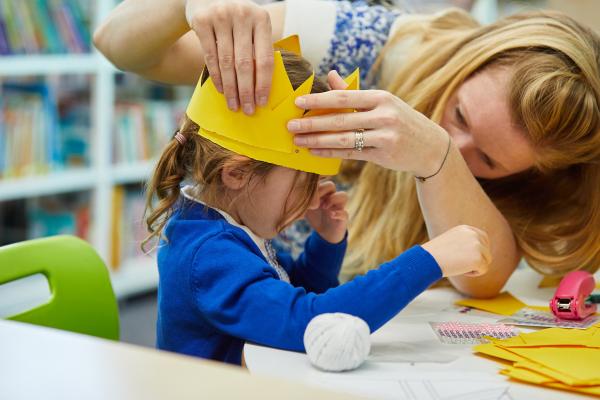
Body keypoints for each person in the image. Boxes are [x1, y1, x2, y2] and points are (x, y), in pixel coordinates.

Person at [94, 0, 600, 298]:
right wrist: (189, 6)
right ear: (470, 55)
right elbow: (117, 43)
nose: (462, 141)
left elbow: (481, 277)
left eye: (488, 160)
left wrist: (437, 155)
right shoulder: (355, 37)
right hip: (247, 315)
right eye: (461, 115)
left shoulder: (523, 182)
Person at [143, 47, 490, 364]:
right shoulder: (209, 254)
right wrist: (430, 260)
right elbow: (312, 323)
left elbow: (285, 293)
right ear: (236, 174)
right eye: (302, 181)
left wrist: (324, 243)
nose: (312, 198)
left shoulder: (225, 222)